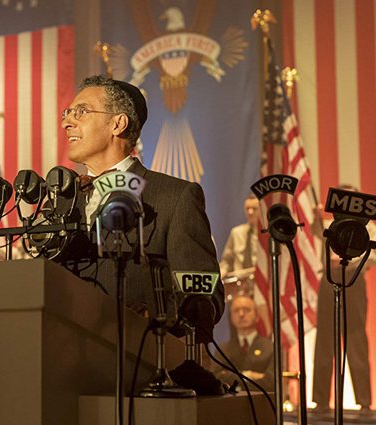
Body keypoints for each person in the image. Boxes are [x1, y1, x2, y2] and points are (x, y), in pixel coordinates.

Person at [60, 75, 223, 333]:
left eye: (81, 112)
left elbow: (203, 294)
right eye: (67, 113)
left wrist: (152, 316)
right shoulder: (61, 202)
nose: (67, 122)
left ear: (118, 124)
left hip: (140, 362)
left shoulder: (175, 197)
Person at [311, 185, 376, 414]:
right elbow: (313, 238)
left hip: (353, 280)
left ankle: (364, 402)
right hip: (328, 280)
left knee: (356, 337)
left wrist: (351, 262)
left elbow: (375, 252)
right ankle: (321, 401)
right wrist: (314, 218)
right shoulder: (325, 222)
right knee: (324, 339)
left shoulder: (367, 226)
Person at [213, 295, 273, 392]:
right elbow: (217, 378)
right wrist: (250, 375)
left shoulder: (271, 348)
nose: (241, 314)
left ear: (257, 316)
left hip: (262, 403)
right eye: (236, 311)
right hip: (231, 404)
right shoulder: (222, 349)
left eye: (246, 310)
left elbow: (271, 381)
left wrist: (233, 377)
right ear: (231, 317)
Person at [219, 194, 260, 278]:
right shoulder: (236, 233)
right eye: (247, 208)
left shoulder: (267, 236)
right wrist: (220, 275)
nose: (250, 212)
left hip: (260, 284)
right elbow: (226, 261)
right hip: (240, 285)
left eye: (254, 209)